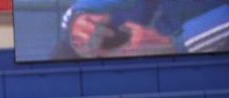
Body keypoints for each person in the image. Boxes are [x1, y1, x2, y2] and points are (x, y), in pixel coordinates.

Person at [53, 0, 229, 59]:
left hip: (211, 47)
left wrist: (176, 44)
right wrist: (81, 19)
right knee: (68, 51)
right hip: (166, 33)